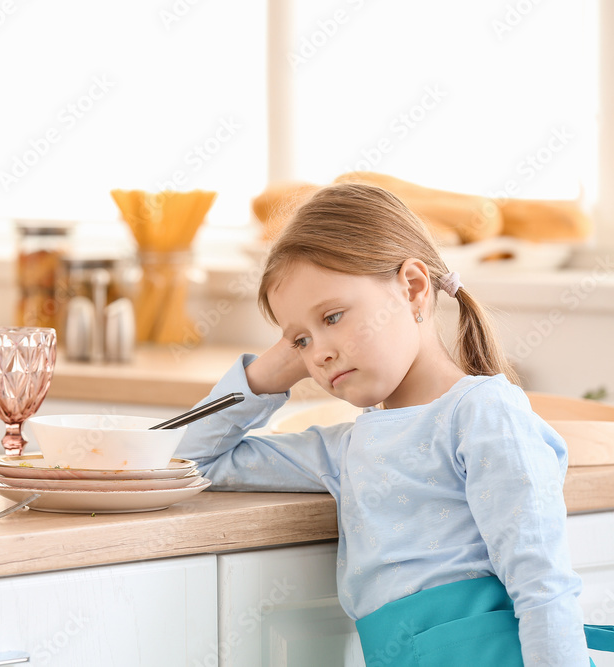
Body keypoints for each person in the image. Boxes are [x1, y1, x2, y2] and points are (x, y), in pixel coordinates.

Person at [176, 183, 613, 665]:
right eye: (299, 340)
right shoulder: (348, 449)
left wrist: (306, 337)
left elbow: (542, 585)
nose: (318, 352)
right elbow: (189, 460)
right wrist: (265, 374)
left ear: (412, 288)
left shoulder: (484, 414)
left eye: (334, 316)